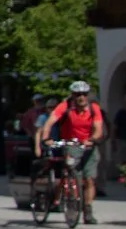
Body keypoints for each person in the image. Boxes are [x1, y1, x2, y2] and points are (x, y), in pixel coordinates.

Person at [34, 80, 107, 216]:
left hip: (89, 145)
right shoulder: (65, 106)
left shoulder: (93, 108)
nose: (81, 97)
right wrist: (46, 138)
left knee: (90, 179)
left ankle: (88, 210)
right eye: (77, 94)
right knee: (74, 178)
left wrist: (91, 140)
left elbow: (98, 129)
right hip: (71, 144)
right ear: (73, 95)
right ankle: (73, 202)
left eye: (84, 94)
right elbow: (50, 122)